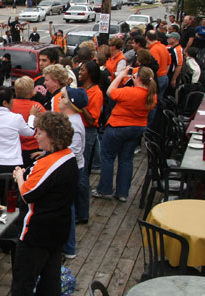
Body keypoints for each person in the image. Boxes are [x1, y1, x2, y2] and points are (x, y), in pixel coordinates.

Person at [0, 111, 78, 296]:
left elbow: (27, 194)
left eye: (40, 132)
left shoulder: (48, 163)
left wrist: (19, 176)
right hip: (59, 229)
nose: (35, 135)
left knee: (23, 282)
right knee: (50, 278)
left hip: (37, 231)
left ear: (52, 136)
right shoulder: (68, 156)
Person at [93, 66, 157, 202]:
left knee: (108, 158)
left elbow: (110, 92)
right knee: (126, 160)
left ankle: (105, 189)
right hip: (137, 128)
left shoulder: (129, 92)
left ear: (138, 78)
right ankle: (122, 193)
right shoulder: (152, 96)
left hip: (118, 127)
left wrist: (121, 76)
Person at [57, 87, 88, 260]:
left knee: (67, 208)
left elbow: (72, 153)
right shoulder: (70, 119)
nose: (59, 99)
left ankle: (69, 248)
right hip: (70, 168)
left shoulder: (73, 124)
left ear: (70, 103)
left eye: (62, 97)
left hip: (70, 171)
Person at [0, 86, 35, 175]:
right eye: (12, 98)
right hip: (12, 164)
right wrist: (32, 116)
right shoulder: (16, 118)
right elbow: (30, 132)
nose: (13, 101)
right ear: (5, 103)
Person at [77, 62, 103, 224]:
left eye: (82, 70)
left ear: (90, 74)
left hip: (87, 133)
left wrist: (81, 105)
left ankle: (82, 213)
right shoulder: (84, 90)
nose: (79, 72)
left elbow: (92, 120)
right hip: (79, 132)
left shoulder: (96, 93)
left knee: (83, 173)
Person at [10, 77, 46, 167]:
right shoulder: (37, 107)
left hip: (14, 147)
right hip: (34, 148)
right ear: (31, 92)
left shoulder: (10, 106)